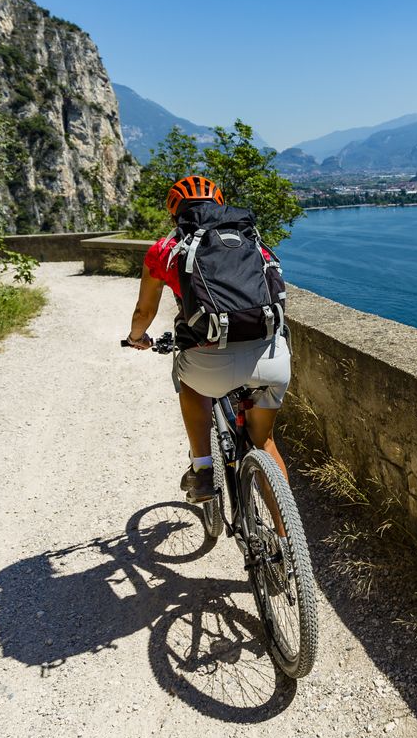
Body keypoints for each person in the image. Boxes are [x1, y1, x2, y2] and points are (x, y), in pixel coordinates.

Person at [124, 176, 292, 502]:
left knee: (189, 381)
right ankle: (289, 547)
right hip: (271, 359)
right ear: (220, 205)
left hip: (210, 363)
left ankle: (202, 470)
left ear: (175, 215)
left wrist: (137, 338)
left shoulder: (166, 250)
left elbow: (144, 311)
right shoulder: (251, 240)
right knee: (265, 442)